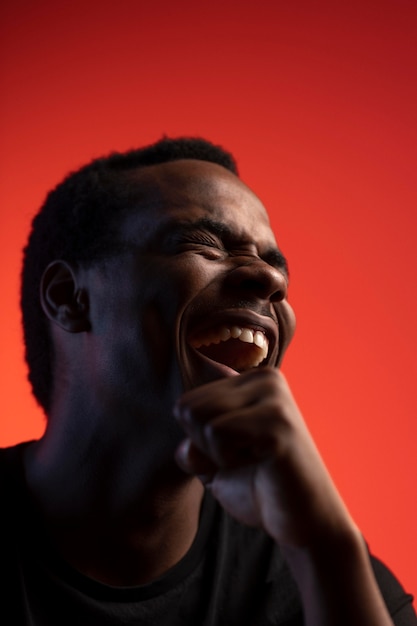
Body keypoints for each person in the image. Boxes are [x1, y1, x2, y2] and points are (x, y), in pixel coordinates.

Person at [1, 137, 415, 625]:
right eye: (203, 245)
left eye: (275, 264)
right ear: (70, 297)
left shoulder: (325, 576)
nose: (270, 281)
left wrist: (325, 540)